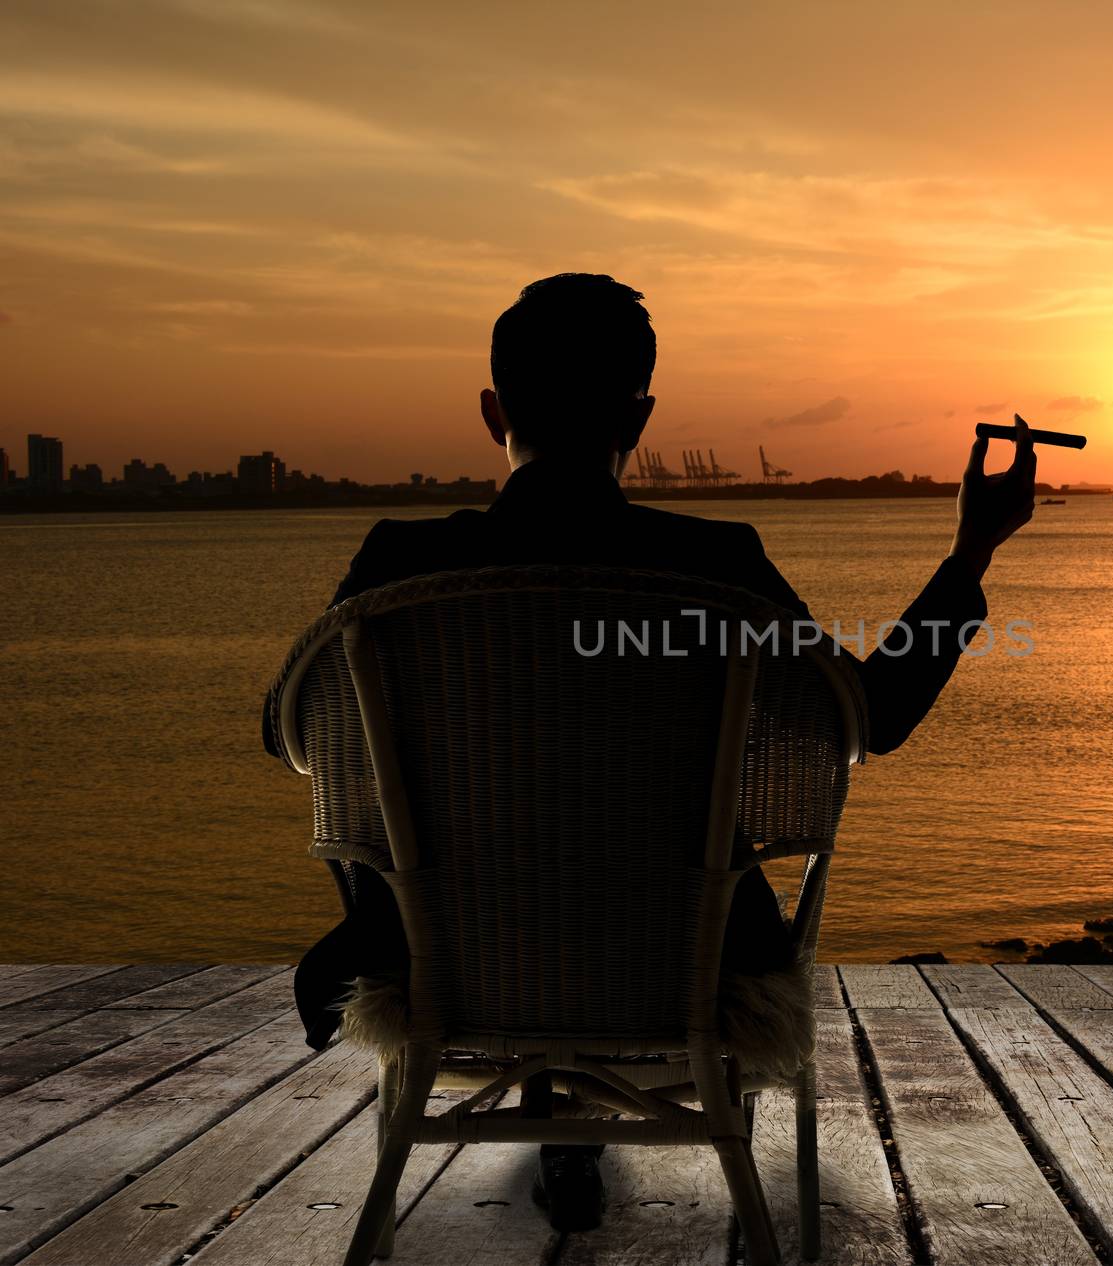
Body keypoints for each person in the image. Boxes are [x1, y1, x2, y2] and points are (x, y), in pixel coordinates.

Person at [263, 272, 1036, 1230]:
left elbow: (286, 734)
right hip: (693, 966)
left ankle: (563, 1130)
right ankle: (588, 1131)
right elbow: (871, 717)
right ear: (644, 413)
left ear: (493, 411)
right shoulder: (718, 566)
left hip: (442, 966)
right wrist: (971, 554)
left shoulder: (397, 563)